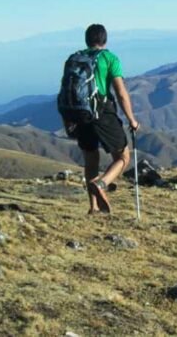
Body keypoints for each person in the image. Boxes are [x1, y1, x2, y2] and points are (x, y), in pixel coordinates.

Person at [72, 24, 140, 214]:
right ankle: (102, 184)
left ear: (87, 40)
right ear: (105, 40)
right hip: (101, 113)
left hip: (80, 115)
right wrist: (131, 120)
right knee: (123, 157)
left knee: (91, 159)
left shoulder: (75, 59)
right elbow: (121, 93)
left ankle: (93, 207)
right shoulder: (109, 58)